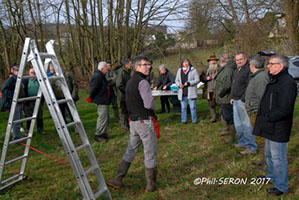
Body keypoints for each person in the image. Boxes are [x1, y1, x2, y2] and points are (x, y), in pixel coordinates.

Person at [106, 56, 158, 193]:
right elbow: (148, 104)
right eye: (144, 64)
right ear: (137, 67)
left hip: (134, 122)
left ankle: (118, 179)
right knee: (150, 153)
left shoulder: (129, 81)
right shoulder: (143, 83)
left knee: (130, 150)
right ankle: (150, 185)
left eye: (149, 64)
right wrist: (154, 105)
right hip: (145, 122)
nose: (148, 67)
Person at [254, 55, 296, 196]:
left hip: (279, 126)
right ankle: (271, 176)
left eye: (272, 64)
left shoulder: (287, 83)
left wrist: (269, 117)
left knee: (278, 157)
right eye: (269, 63)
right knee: (269, 154)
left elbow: (285, 108)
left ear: (281, 66)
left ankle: (281, 186)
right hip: (269, 125)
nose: (268, 66)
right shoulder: (275, 80)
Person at [230, 52, 257, 153]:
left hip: (243, 101)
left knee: (246, 124)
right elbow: (234, 85)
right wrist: (233, 97)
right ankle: (242, 142)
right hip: (235, 100)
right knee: (238, 124)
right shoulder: (237, 70)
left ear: (245, 59)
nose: (239, 61)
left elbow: (249, 86)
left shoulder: (248, 70)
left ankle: (252, 147)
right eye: (237, 60)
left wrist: (242, 99)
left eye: (240, 59)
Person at [244, 55, 269, 161]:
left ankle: (266, 163)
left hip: (257, 111)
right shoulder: (257, 76)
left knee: (261, 138)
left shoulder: (261, 77)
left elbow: (263, 97)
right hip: (254, 111)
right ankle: (264, 160)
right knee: (259, 137)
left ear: (252, 65)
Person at [215, 54, 237, 143]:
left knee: (229, 117)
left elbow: (226, 85)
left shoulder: (228, 70)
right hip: (225, 97)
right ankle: (228, 131)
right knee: (226, 115)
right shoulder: (226, 69)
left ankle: (232, 137)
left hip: (227, 97)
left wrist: (220, 94)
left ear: (223, 61)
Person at [1, 65, 25, 140]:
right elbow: (4, 90)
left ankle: (15, 134)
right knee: (16, 120)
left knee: (18, 119)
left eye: (19, 70)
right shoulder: (11, 80)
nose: (19, 72)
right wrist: (14, 96)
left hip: (20, 101)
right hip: (14, 102)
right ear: (14, 71)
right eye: (17, 70)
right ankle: (17, 137)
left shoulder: (20, 79)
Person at [90, 61, 111, 142]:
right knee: (102, 118)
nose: (107, 70)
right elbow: (93, 89)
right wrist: (92, 98)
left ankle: (104, 133)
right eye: (106, 68)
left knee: (106, 118)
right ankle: (98, 134)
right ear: (102, 68)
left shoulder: (101, 76)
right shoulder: (97, 77)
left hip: (105, 100)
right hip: (101, 100)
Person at [175, 58, 200, 124]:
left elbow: (197, 80)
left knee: (193, 107)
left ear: (189, 63)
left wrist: (189, 83)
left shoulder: (193, 70)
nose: (185, 63)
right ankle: (184, 120)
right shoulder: (179, 70)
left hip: (191, 92)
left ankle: (194, 120)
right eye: (184, 62)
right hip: (182, 92)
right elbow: (176, 80)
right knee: (183, 108)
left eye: (187, 62)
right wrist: (179, 85)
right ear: (182, 64)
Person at [23, 68, 47, 135]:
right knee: (28, 117)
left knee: (39, 116)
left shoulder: (39, 81)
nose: (33, 74)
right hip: (29, 101)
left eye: (34, 72)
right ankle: (28, 130)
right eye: (31, 72)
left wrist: (42, 101)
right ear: (29, 73)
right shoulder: (26, 81)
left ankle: (40, 129)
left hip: (38, 100)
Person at [200, 55, 222, 122]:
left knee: (220, 104)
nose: (213, 62)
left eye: (214, 60)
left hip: (218, 90)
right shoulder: (205, 69)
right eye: (211, 60)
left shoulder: (220, 69)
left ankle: (223, 118)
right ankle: (213, 118)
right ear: (209, 62)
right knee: (211, 104)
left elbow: (223, 78)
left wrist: (216, 77)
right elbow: (201, 78)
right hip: (209, 90)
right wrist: (206, 78)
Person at [116, 58, 132, 131]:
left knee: (128, 109)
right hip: (122, 95)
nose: (131, 65)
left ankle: (128, 123)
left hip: (128, 94)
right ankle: (123, 125)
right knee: (124, 110)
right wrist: (126, 90)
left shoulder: (128, 71)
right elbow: (119, 84)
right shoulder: (121, 72)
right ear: (126, 65)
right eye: (130, 64)